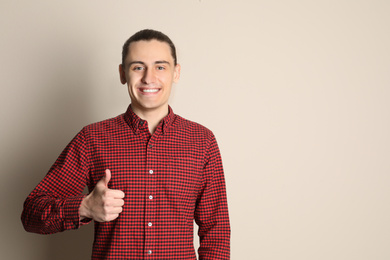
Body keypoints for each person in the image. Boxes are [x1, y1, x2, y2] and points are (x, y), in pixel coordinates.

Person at [21, 29, 230, 259]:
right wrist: (85, 207)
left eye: (160, 67)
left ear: (176, 73)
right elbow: (31, 214)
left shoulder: (202, 141)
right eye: (138, 67)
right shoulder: (92, 138)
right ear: (123, 74)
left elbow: (216, 234)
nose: (149, 78)